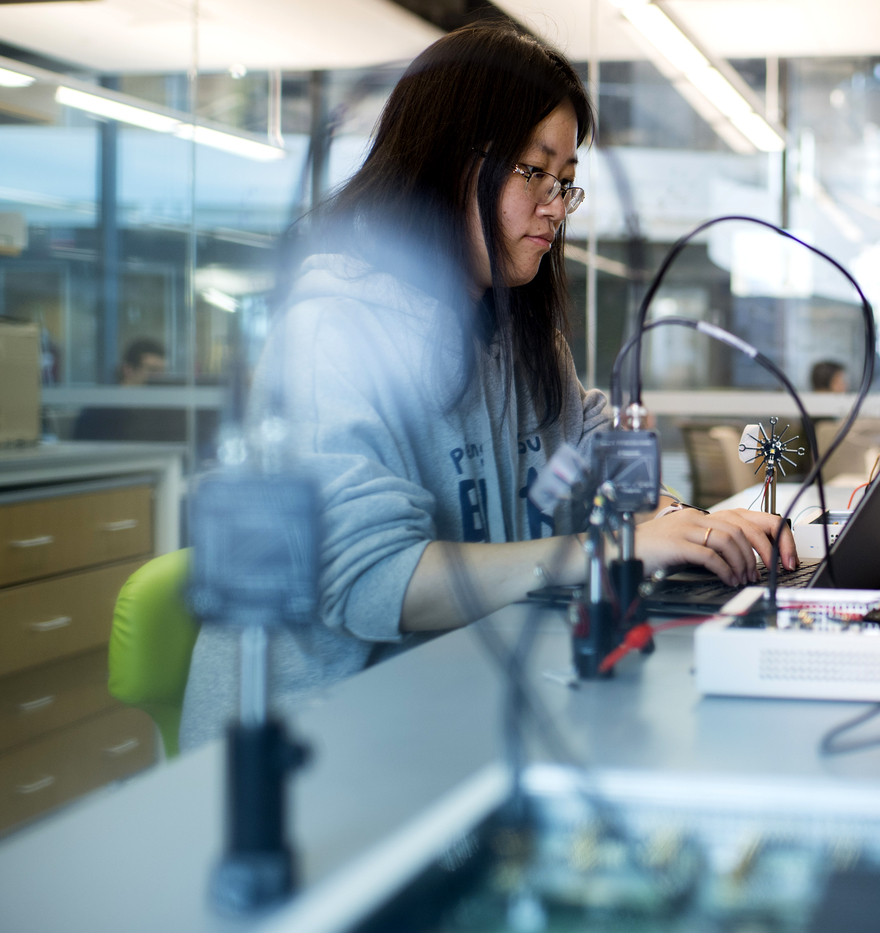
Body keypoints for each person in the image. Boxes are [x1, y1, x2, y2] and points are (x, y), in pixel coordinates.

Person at [179, 23, 796, 748]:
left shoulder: (510, 333)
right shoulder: (332, 334)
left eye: (566, 180)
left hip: (458, 705)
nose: (557, 206)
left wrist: (685, 522)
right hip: (318, 750)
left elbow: (583, 450)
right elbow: (375, 580)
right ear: (446, 160)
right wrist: (614, 549)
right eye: (534, 172)